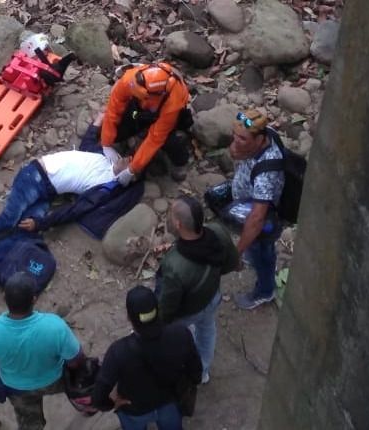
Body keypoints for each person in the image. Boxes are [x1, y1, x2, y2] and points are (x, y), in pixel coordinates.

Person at [0, 114, 130, 278]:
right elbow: (88, 143)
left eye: (131, 162)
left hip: (45, 189)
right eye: (129, 157)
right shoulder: (107, 158)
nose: (128, 158)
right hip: (35, 176)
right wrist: (97, 121)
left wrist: (40, 224)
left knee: (27, 234)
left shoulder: (104, 186)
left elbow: (73, 210)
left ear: (126, 175)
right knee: (8, 220)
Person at [0, 272, 85, 430]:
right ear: (34, 299)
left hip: (17, 389)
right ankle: (82, 399)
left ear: (4, 298)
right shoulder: (55, 326)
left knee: (30, 424)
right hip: (55, 380)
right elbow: (77, 360)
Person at [92, 286, 202, 430]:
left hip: (134, 411)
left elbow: (98, 398)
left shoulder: (117, 352)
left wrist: (112, 403)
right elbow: (196, 373)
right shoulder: (181, 334)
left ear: (129, 317)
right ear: (157, 309)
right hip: (169, 403)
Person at [157, 196, 238, 384]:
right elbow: (232, 263)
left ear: (178, 224)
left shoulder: (174, 264)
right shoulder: (217, 231)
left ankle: (181, 373)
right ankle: (203, 371)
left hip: (189, 312)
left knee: (174, 338)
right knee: (207, 329)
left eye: (171, 213)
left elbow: (168, 307)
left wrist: (159, 324)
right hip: (212, 296)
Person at [228, 110, 285, 310]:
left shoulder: (267, 173)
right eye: (234, 135)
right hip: (248, 199)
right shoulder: (263, 132)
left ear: (259, 139)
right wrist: (239, 146)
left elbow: (257, 219)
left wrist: (237, 252)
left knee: (262, 253)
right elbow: (236, 150)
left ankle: (265, 291)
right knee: (255, 250)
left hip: (265, 221)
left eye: (242, 138)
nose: (235, 141)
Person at [100, 62, 192, 184]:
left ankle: (180, 162)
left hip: (165, 116)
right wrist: (106, 142)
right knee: (115, 132)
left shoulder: (173, 100)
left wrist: (132, 169)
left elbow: (156, 138)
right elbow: (113, 110)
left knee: (172, 142)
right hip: (139, 110)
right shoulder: (129, 79)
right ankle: (135, 134)